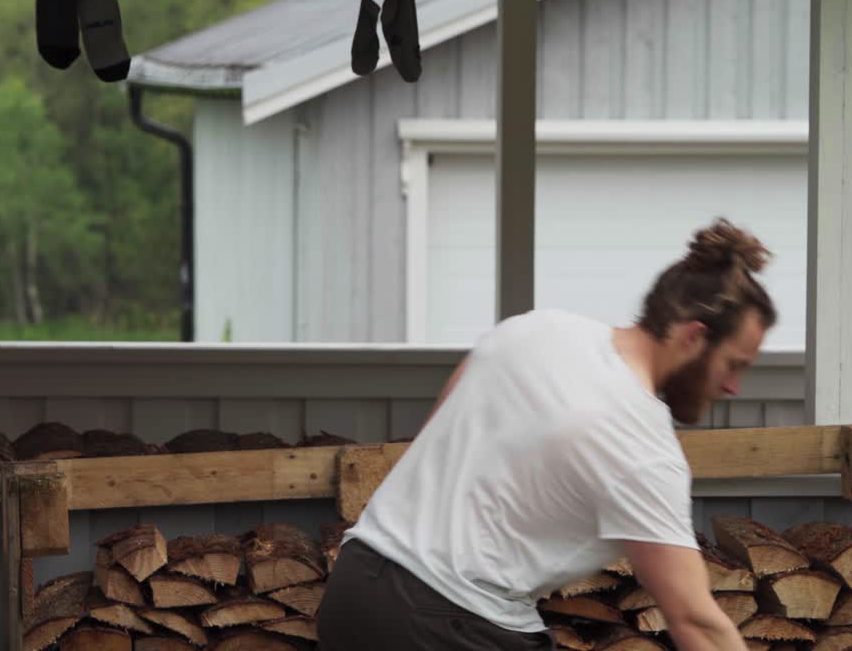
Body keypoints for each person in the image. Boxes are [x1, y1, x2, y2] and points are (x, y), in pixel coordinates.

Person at [317, 219, 776, 651]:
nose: (733, 386)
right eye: (733, 364)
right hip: (448, 624)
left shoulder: (535, 329)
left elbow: (436, 442)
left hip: (357, 586)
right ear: (694, 338)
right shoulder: (641, 445)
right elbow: (695, 621)